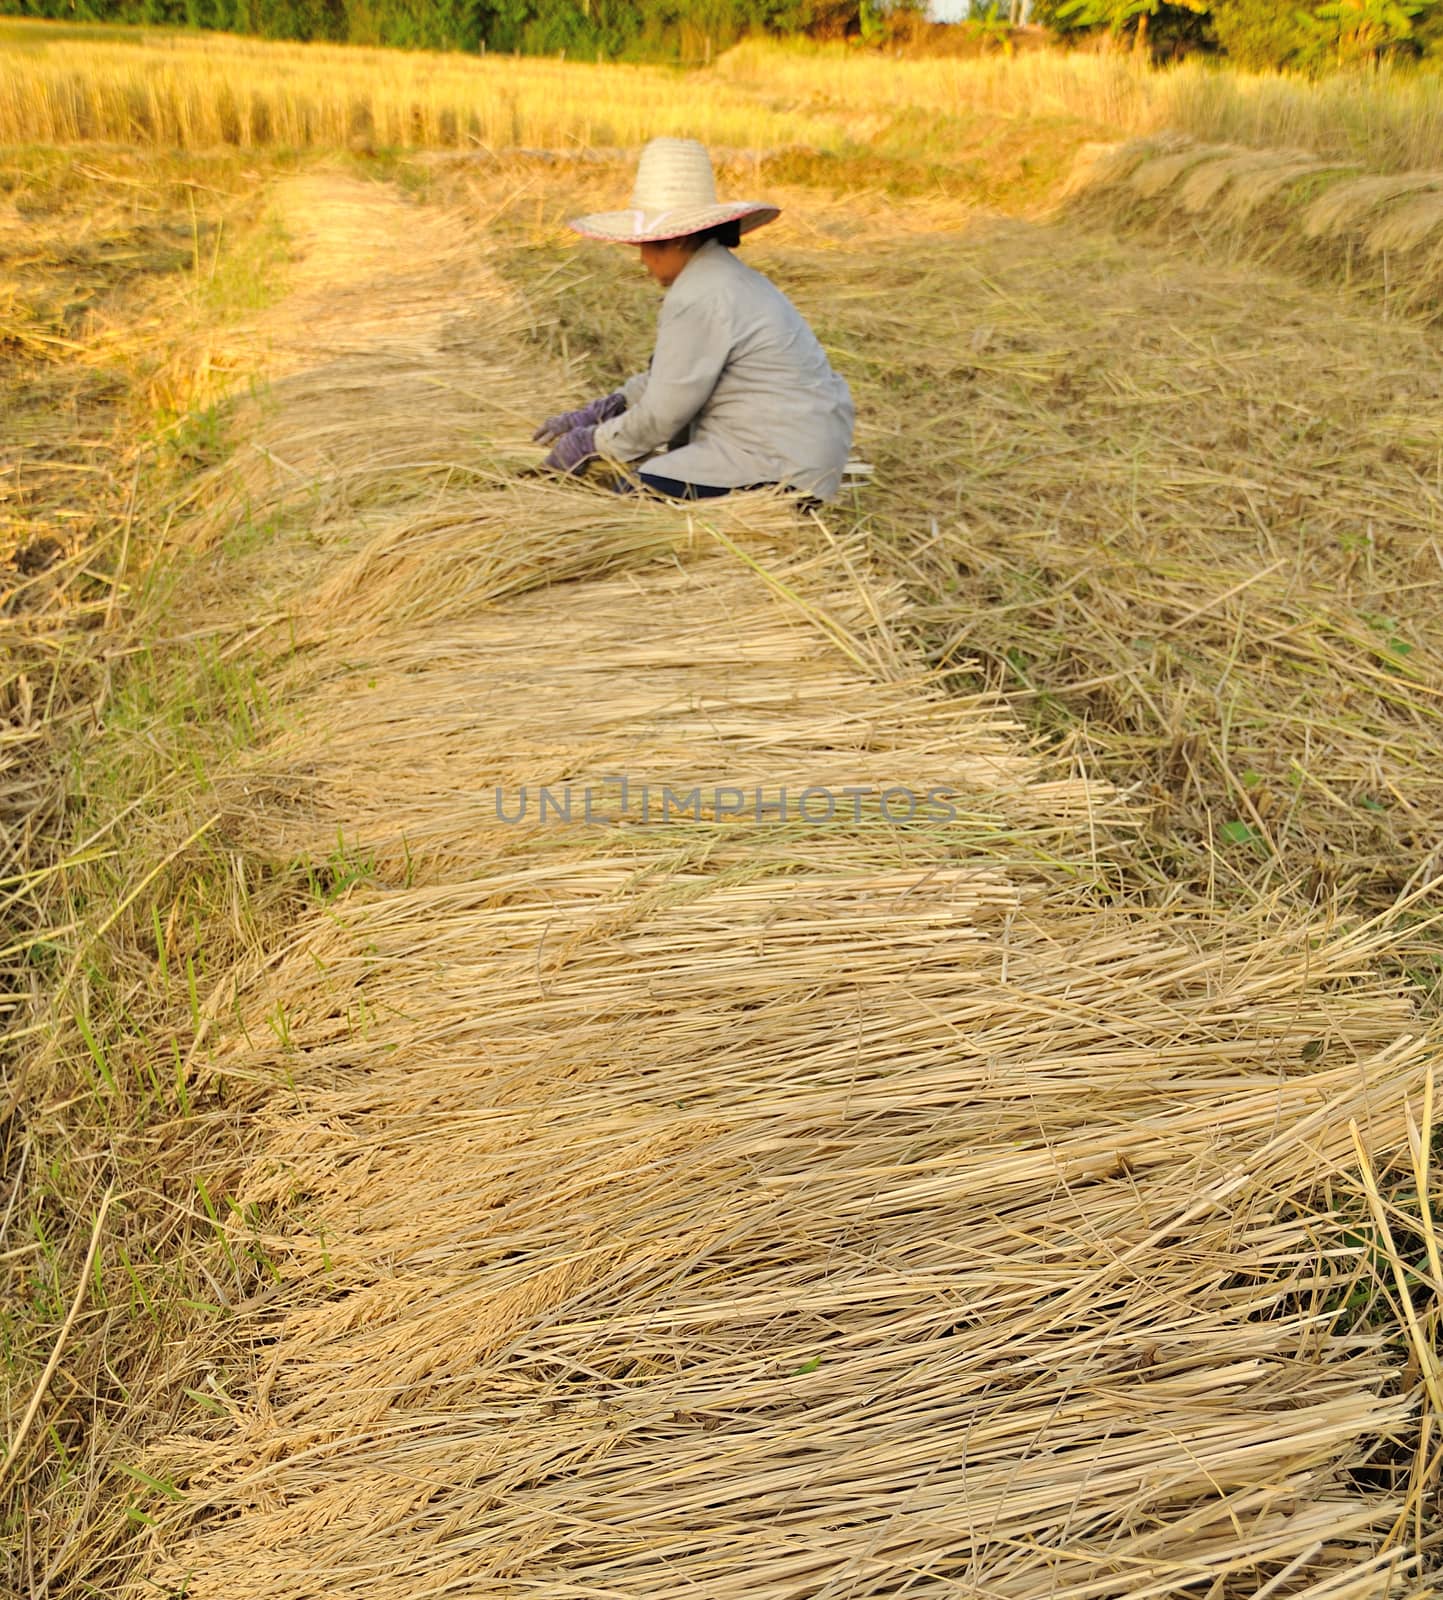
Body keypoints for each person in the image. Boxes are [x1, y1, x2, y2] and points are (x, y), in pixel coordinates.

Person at [533, 138, 854, 503]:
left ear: (678, 240)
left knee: (632, 499)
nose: (642, 260)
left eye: (647, 246)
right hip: (803, 456)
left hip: (778, 469)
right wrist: (610, 406)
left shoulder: (699, 294)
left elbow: (662, 415)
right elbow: (675, 377)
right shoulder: (722, 278)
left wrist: (591, 443)